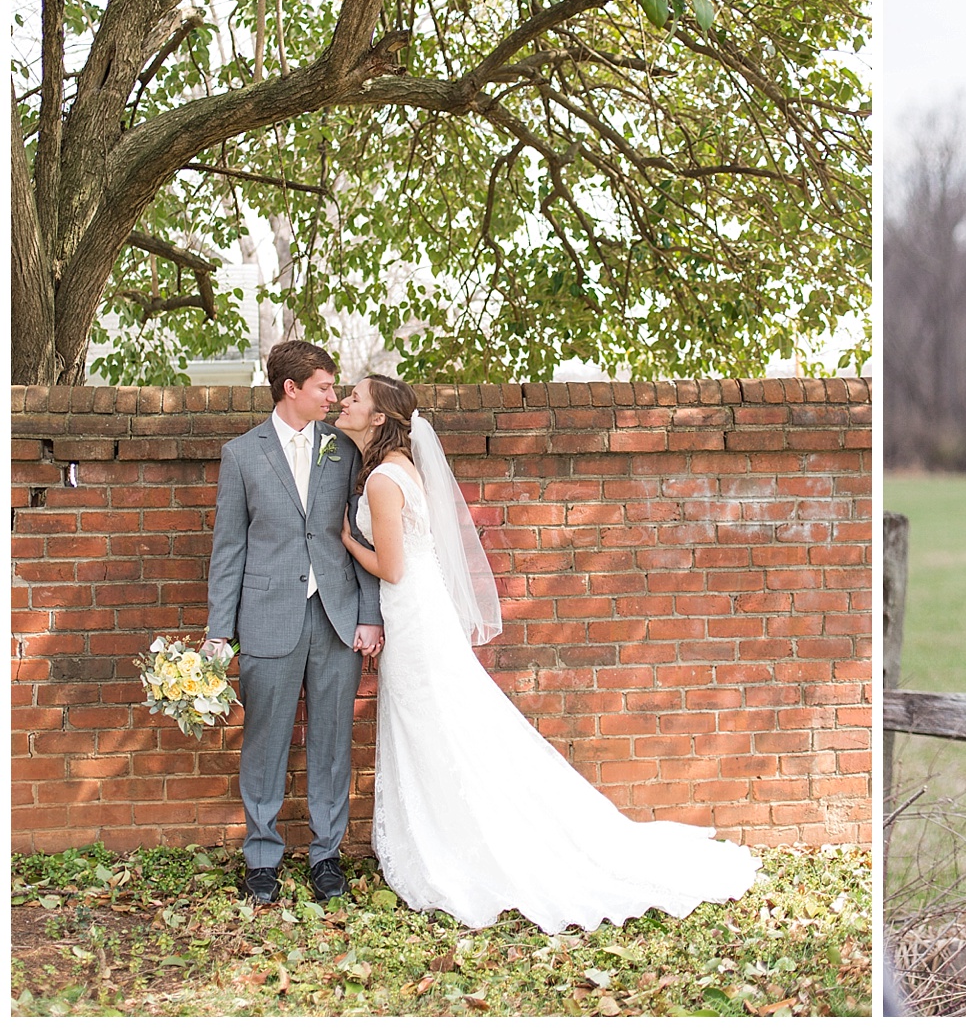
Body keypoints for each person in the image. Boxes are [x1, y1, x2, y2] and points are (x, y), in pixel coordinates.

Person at [334, 374, 759, 933]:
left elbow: (392, 566)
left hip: (412, 613)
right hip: (419, 611)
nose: (345, 402)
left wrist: (344, 538)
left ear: (381, 417)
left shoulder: (384, 482)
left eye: (356, 397)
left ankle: (457, 847)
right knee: (443, 726)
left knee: (433, 726)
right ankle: (456, 831)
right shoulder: (399, 472)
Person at [205, 340, 384, 906]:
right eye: (325, 387)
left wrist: (370, 615)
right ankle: (262, 858)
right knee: (266, 741)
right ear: (292, 389)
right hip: (266, 617)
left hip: (336, 617)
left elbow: (364, 535)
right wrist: (218, 631)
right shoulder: (241, 455)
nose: (334, 397)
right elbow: (228, 549)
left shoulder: (343, 450)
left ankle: (326, 857)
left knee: (333, 741)